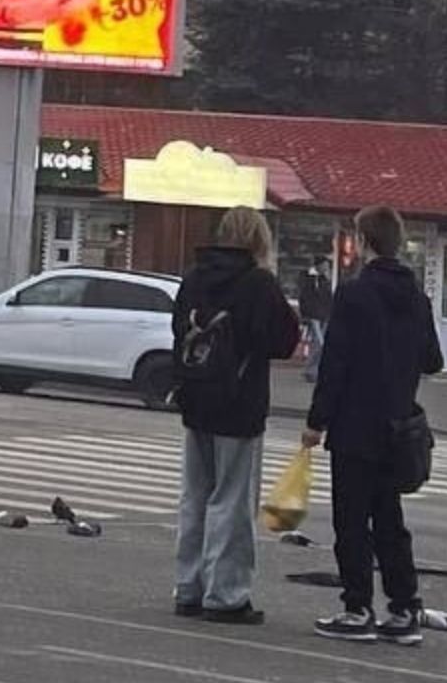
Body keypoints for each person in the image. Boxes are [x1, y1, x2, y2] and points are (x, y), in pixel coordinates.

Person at [304, 205, 443, 645]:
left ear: (363, 242)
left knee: (351, 521)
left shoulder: (354, 294)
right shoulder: (417, 298)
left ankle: (357, 607)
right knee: (389, 520)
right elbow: (433, 360)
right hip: (399, 426)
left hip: (354, 426)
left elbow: (336, 363)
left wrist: (316, 421)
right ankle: (404, 608)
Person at [171, 206, 301, 625]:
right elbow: (282, 341)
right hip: (239, 402)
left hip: (196, 399)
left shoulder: (194, 278)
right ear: (258, 240)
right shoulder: (258, 283)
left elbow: (177, 332)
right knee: (232, 499)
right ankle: (225, 594)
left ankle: (187, 587)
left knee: (195, 496)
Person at [298, 257, 334, 383]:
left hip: (324, 315)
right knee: (319, 343)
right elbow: (305, 297)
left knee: (317, 343)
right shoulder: (312, 280)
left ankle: (312, 370)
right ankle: (311, 370)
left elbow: (328, 298)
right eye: (324, 266)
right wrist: (306, 313)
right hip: (315, 316)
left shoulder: (326, 280)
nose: (326, 268)